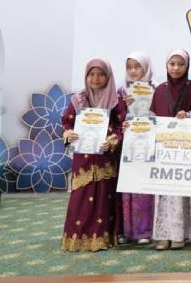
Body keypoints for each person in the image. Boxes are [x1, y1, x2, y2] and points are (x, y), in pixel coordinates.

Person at [60, 58, 127, 251]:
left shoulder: (116, 100)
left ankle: (102, 238)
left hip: (105, 158)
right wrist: (67, 134)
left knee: (103, 199)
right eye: (92, 74)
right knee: (81, 199)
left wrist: (113, 140)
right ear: (86, 76)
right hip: (84, 159)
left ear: (108, 76)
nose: (96, 79)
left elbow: (122, 127)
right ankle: (77, 238)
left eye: (101, 74)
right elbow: (67, 122)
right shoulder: (78, 99)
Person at [150, 49, 191, 250]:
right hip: (164, 149)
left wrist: (188, 115)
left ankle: (180, 234)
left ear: (187, 66)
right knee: (163, 193)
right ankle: (163, 234)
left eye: (181, 64)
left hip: (185, 148)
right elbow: (152, 116)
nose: (176, 68)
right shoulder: (159, 90)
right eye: (172, 64)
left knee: (182, 193)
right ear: (166, 65)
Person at [117, 52, 155, 245]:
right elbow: (114, 117)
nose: (133, 71)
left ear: (146, 68)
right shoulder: (120, 91)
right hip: (127, 145)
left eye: (137, 66)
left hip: (147, 144)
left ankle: (144, 231)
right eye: (130, 67)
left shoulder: (154, 89)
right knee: (127, 190)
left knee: (144, 190)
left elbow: (159, 114)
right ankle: (127, 230)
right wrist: (123, 107)